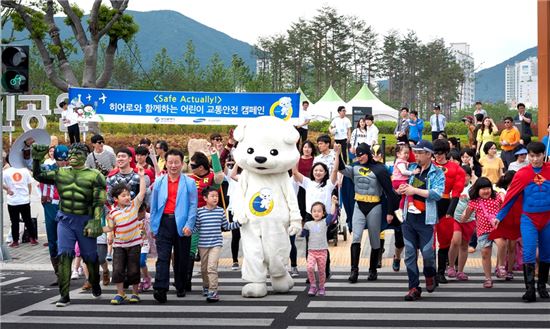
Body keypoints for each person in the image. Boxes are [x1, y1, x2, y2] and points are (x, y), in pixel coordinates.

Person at [32, 143, 106, 307]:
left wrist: (95, 221)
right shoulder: (60, 173)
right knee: (64, 255)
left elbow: (99, 201)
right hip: (65, 219)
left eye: (77, 152)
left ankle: (95, 282)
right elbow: (39, 176)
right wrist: (36, 159)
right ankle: (64, 295)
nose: (72, 155)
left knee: (90, 257)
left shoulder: (95, 175)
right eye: (71, 152)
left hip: (85, 219)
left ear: (85, 155)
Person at [493, 142, 550, 302]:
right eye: (532, 156)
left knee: (546, 254)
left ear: (543, 154)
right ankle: (530, 289)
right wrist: (500, 216)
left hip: (547, 218)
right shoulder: (522, 173)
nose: (535, 159)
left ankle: (542, 286)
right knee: (529, 252)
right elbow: (510, 198)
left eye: (538, 155)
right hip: (529, 219)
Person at [335, 142, 399, 283]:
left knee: (374, 240)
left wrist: (390, 212)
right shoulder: (354, 167)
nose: (360, 157)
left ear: (368, 153)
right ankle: (354, 271)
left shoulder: (380, 169)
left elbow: (390, 193)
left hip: (375, 206)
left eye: (362, 154)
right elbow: (341, 168)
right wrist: (338, 153)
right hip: (359, 205)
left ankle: (372, 270)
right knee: (356, 237)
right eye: (357, 155)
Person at [396, 140, 445, 301]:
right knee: (410, 254)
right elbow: (402, 186)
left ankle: (430, 275)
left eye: (419, 152)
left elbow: (437, 194)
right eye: (414, 152)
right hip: (409, 218)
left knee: (427, 253)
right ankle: (414, 287)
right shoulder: (412, 169)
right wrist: (402, 189)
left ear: (429, 154)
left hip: (426, 219)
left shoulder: (437, 172)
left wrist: (414, 190)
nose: (415, 155)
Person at [150, 149, 197, 303]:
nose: (173, 165)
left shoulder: (189, 182)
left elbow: (193, 205)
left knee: (181, 257)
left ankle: (181, 285)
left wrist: (190, 224)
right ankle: (160, 288)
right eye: (170, 162)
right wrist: (153, 226)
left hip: (182, 223)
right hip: (164, 222)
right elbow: (154, 206)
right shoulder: (159, 182)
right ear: (166, 163)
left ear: (182, 164)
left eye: (177, 162)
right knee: (162, 257)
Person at [103, 165, 146, 305]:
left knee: (134, 270)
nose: (127, 197)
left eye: (128, 194)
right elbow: (110, 228)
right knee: (118, 270)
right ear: (116, 198)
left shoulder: (134, 205)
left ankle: (135, 293)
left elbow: (142, 193)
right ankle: (120, 294)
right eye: (123, 195)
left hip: (134, 244)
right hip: (119, 246)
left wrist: (141, 176)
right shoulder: (112, 213)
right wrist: (95, 230)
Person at [194, 187, 242, 302]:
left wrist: (239, 223)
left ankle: (213, 290)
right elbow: (196, 228)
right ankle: (206, 286)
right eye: (212, 196)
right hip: (203, 244)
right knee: (204, 268)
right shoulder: (199, 212)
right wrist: (186, 230)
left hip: (216, 243)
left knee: (211, 267)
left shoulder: (220, 211)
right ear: (205, 198)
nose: (215, 198)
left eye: (216, 196)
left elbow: (226, 226)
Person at [432, 139, 465, 285]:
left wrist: (450, 211)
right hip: (429, 203)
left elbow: (457, 192)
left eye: (440, 153)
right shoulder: (428, 165)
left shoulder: (456, 169)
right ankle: (430, 272)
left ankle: (440, 272)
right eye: (435, 153)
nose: (438, 156)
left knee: (444, 242)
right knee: (429, 242)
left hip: (446, 204)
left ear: (446, 153)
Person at [461, 177, 503, 288]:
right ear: (477, 190)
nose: (486, 191)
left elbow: (503, 208)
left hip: (496, 228)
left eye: (488, 188)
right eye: (483, 189)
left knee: (502, 244)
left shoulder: (497, 197)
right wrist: (463, 218)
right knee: (485, 254)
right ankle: (488, 278)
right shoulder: (474, 202)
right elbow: (467, 214)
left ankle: (501, 266)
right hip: (483, 230)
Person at [39, 145, 69, 285]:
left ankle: (66, 271)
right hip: (50, 205)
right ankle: (58, 274)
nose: (62, 162)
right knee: (52, 241)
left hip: (67, 206)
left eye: (65, 159)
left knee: (63, 241)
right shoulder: (47, 168)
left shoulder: (72, 170)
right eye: (59, 159)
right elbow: (31, 167)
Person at [302, 198, 338, 297]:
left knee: (322, 271)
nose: (316, 213)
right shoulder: (307, 224)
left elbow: (331, 214)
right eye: (314, 211)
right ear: (311, 213)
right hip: (311, 252)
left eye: (319, 211)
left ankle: (321, 287)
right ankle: (313, 286)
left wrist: (333, 203)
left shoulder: (325, 222)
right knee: (310, 268)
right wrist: (296, 230)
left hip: (322, 251)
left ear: (323, 213)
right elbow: (302, 234)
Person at [447, 165, 475, 281]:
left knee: (464, 246)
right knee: (455, 241)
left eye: (466, 175)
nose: (463, 178)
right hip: (455, 219)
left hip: (469, 221)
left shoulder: (473, 189)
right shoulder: (452, 188)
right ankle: (451, 266)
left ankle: (461, 271)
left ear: (469, 176)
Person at [3, 154, 36, 247]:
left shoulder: (6, 172)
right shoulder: (24, 170)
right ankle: (33, 239)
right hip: (24, 200)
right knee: (28, 220)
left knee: (14, 221)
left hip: (12, 201)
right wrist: (28, 194)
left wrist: (7, 189)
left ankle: (15, 241)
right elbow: (29, 184)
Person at [392, 144, 420, 213]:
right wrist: (412, 172)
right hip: (399, 180)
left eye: (408, 153)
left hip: (398, 181)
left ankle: (400, 209)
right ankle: (411, 205)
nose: (407, 155)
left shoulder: (403, 161)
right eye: (405, 153)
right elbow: (403, 171)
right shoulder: (400, 162)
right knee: (409, 190)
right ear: (398, 154)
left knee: (404, 196)